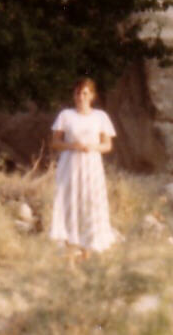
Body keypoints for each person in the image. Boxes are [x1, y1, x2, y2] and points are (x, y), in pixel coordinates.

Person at [49, 77, 117, 259]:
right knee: (70, 203)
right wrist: (73, 146)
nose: (81, 97)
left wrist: (92, 147)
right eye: (78, 93)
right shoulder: (65, 115)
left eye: (85, 93)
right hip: (70, 165)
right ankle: (70, 253)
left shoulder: (100, 117)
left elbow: (107, 145)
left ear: (92, 96)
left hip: (91, 165)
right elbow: (55, 143)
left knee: (90, 202)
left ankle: (87, 252)